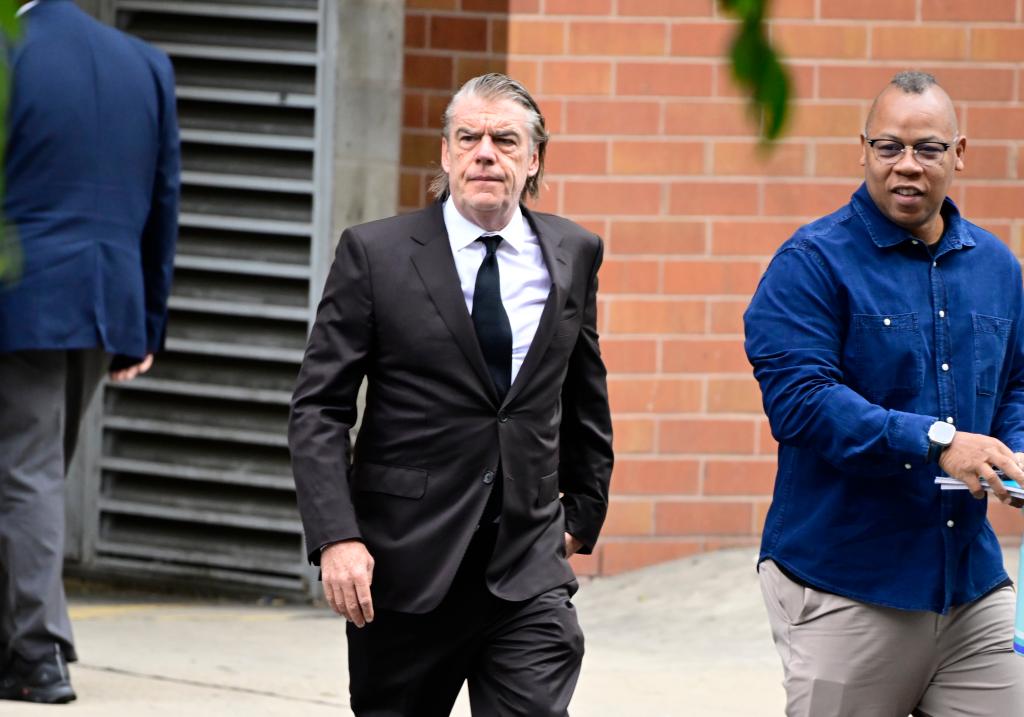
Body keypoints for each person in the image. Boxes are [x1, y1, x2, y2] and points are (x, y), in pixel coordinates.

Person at [289, 72, 613, 716]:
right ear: (445, 153)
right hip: (405, 568)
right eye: (468, 137)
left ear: (533, 159)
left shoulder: (573, 252)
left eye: (504, 139)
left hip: (526, 568)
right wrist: (337, 538)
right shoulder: (375, 254)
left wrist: (583, 508)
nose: (485, 153)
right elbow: (320, 407)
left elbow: (584, 388)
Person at [744, 70, 1024, 716]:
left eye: (927, 148)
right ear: (862, 149)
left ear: (958, 154)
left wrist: (1012, 450)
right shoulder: (811, 262)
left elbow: (1017, 380)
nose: (906, 165)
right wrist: (940, 443)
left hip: (970, 589)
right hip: (848, 584)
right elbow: (803, 402)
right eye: (888, 147)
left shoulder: (997, 267)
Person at [0, 0, 179, 704]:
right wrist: (148, 323)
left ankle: (38, 651)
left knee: (25, 475)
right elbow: (166, 199)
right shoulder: (145, 63)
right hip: (108, 300)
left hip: (24, 296)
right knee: (34, 472)